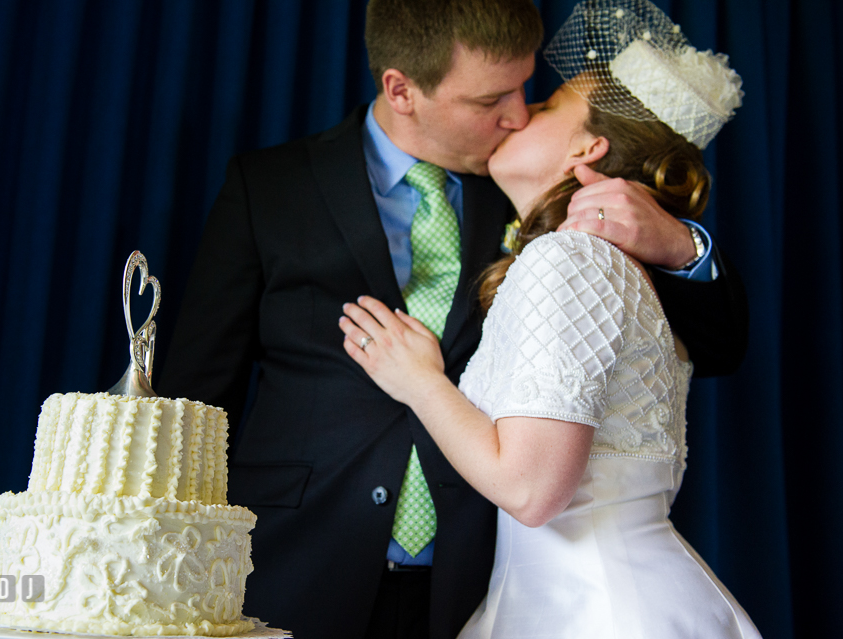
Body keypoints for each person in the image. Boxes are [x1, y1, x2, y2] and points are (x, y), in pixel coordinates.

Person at [159, 0, 748, 637]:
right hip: (298, 559)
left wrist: (682, 246)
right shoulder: (271, 186)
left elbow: (714, 347)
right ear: (401, 90)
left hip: (474, 575)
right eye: (490, 99)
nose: (517, 114)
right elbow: (195, 391)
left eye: (527, 91)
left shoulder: (548, 195)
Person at [337, 0, 760, 637]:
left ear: (588, 147)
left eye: (543, 106)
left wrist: (419, 379)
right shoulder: (594, 257)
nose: (517, 114)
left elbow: (533, 492)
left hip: (597, 607)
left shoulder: (569, 257)